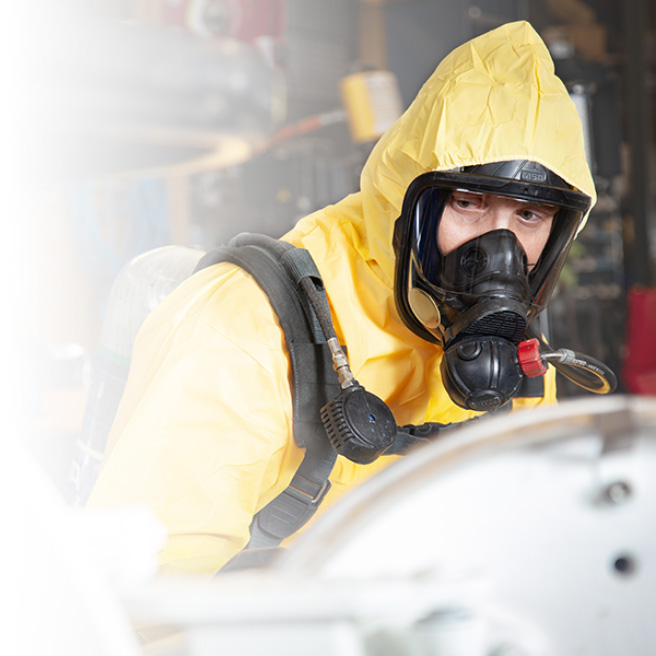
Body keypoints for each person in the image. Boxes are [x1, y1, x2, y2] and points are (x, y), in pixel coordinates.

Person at [87, 20, 596, 574]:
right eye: (469, 202)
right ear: (408, 203)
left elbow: (527, 543)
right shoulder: (245, 325)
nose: (497, 252)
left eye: (529, 214)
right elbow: (144, 598)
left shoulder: (517, 351)